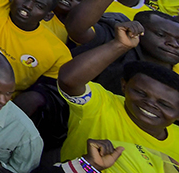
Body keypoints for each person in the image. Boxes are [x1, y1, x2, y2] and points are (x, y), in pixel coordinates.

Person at [57, 19, 179, 161]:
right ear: (124, 86)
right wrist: (119, 45)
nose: (150, 103)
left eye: (164, 104)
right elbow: (68, 81)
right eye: (140, 93)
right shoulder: (101, 104)